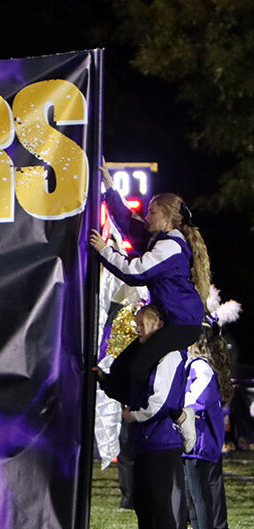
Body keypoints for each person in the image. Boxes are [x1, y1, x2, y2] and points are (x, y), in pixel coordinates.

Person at [89, 161, 209, 450]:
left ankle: (176, 414)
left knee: (137, 369)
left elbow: (135, 272)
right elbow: (127, 220)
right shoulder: (159, 238)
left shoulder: (171, 246)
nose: (147, 215)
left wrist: (105, 251)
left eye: (153, 212)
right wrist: (108, 186)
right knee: (120, 369)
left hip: (183, 324)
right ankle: (132, 404)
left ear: (167, 218)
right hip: (172, 320)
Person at [121, 304, 187, 529]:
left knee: (160, 504)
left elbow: (161, 401)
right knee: (143, 504)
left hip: (162, 440)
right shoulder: (149, 353)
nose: (137, 328)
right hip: (146, 439)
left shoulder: (170, 355)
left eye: (142, 322)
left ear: (159, 324)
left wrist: (135, 415)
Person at [174, 321, 233, 529]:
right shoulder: (195, 365)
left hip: (200, 437)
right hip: (194, 436)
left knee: (199, 494)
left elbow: (198, 399)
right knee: (191, 494)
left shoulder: (201, 366)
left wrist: (177, 411)